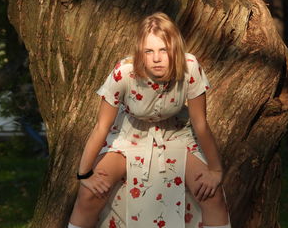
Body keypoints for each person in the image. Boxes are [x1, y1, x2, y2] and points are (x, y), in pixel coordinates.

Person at [68, 12, 231, 228]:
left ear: (175, 48)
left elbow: (200, 123)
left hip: (177, 132)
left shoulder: (190, 67)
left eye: (164, 49)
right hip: (129, 133)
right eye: (149, 51)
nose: (156, 58)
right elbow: (101, 126)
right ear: (140, 52)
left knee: (212, 194)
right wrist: (84, 174)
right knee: (89, 195)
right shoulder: (124, 72)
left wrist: (216, 171)